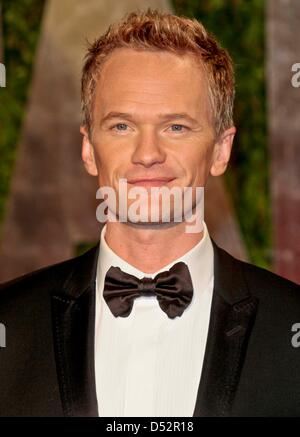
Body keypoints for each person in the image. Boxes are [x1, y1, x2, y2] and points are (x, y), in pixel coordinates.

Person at [0, 8, 299, 418]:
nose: (147, 155)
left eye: (176, 127)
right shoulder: (9, 323)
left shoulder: (290, 324)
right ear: (89, 149)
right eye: (122, 126)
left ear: (220, 150)